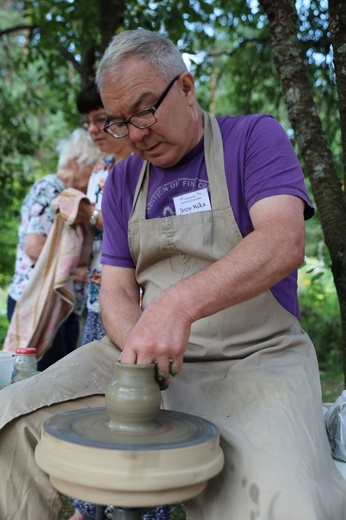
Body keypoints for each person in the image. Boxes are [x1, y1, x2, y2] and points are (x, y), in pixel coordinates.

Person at [0, 29, 345, 520]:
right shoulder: (121, 180)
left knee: (289, 505)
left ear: (185, 88)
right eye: (119, 122)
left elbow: (282, 242)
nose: (135, 134)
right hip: (143, 361)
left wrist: (175, 306)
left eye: (144, 110)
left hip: (256, 362)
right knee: (11, 421)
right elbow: (117, 288)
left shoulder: (254, 138)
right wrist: (141, 343)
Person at [68, 82, 171, 520]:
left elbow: (125, 228)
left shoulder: (148, 166)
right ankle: (89, 505)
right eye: (89, 122)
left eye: (100, 119)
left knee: (149, 407)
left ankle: (147, 506)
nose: (94, 129)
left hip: (151, 312)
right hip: (101, 301)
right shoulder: (100, 170)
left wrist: (89, 214)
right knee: (97, 402)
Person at [6, 128, 104, 370]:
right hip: (40, 303)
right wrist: (79, 272)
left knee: (59, 376)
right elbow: (34, 246)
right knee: (40, 379)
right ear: (76, 162)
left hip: (62, 305)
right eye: (93, 169)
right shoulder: (50, 189)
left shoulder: (75, 198)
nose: (94, 178)